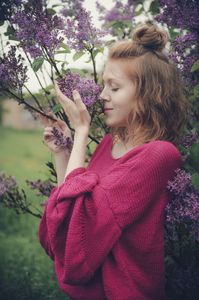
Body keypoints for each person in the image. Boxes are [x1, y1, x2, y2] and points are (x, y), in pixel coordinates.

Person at [38, 22, 189, 300]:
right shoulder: (110, 143)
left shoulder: (159, 155)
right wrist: (63, 152)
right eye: (104, 84)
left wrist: (82, 132)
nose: (103, 95)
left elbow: (85, 231)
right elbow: (72, 219)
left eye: (114, 87)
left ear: (147, 94)